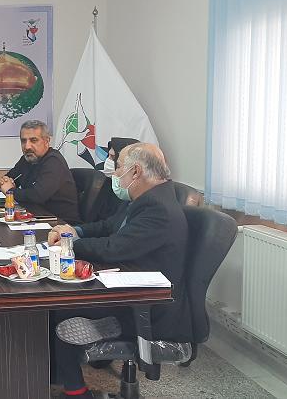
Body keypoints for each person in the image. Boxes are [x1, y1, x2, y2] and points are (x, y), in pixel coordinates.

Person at [46, 143, 191, 399]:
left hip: (146, 305)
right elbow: (108, 226)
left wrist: (70, 245)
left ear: (136, 172)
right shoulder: (145, 198)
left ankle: (75, 392)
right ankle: (60, 381)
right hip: (130, 286)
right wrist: (74, 231)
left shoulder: (158, 209)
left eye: (118, 167)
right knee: (55, 302)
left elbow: (113, 248)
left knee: (59, 307)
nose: (114, 174)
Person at [0, 120, 80, 223]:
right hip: (36, 218)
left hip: (60, 223)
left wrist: (10, 191)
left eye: (33, 140)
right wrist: (4, 183)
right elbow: (6, 181)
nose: (27, 146)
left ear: (46, 141)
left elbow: (37, 196)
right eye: (23, 141)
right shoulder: (27, 159)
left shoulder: (54, 161)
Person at [93, 137, 140, 221]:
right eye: (108, 156)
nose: (107, 161)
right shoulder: (108, 183)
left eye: (113, 157)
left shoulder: (128, 192)